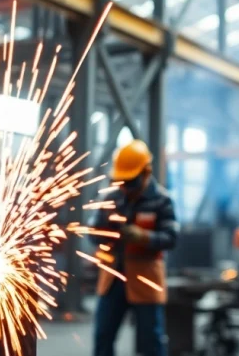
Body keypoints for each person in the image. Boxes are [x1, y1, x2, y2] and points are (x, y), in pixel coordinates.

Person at [91, 139, 178, 356]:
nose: (124, 186)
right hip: (113, 279)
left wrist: (143, 236)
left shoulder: (162, 201)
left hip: (145, 280)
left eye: (129, 181)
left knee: (151, 343)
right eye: (121, 181)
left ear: (146, 173)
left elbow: (171, 238)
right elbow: (93, 231)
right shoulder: (112, 198)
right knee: (103, 337)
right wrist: (103, 233)